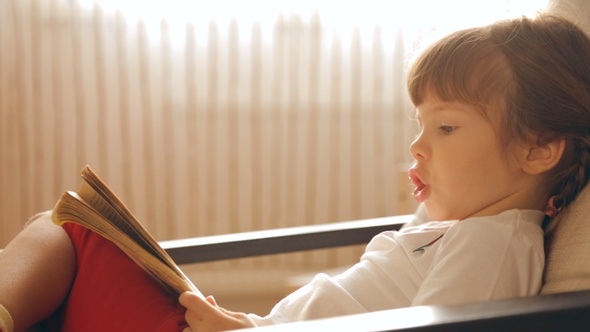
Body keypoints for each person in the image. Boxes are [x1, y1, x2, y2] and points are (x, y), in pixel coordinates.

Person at [1, 12, 590, 332]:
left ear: (539, 151)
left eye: (447, 128)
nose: (417, 146)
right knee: (64, 245)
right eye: (420, 124)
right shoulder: (462, 227)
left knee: (60, 234)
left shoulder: (490, 248)